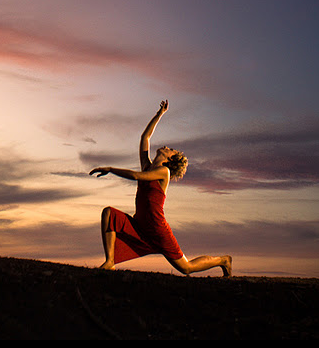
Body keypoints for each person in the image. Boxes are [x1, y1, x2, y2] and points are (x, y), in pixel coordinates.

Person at [89, 100, 232, 276]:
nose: (166, 146)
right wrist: (160, 114)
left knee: (186, 268)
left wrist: (111, 169)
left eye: (170, 149)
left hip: (158, 229)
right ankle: (110, 262)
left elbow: (136, 177)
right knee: (109, 214)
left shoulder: (164, 172)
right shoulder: (148, 166)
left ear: (171, 160)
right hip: (140, 224)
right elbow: (145, 138)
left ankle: (223, 260)